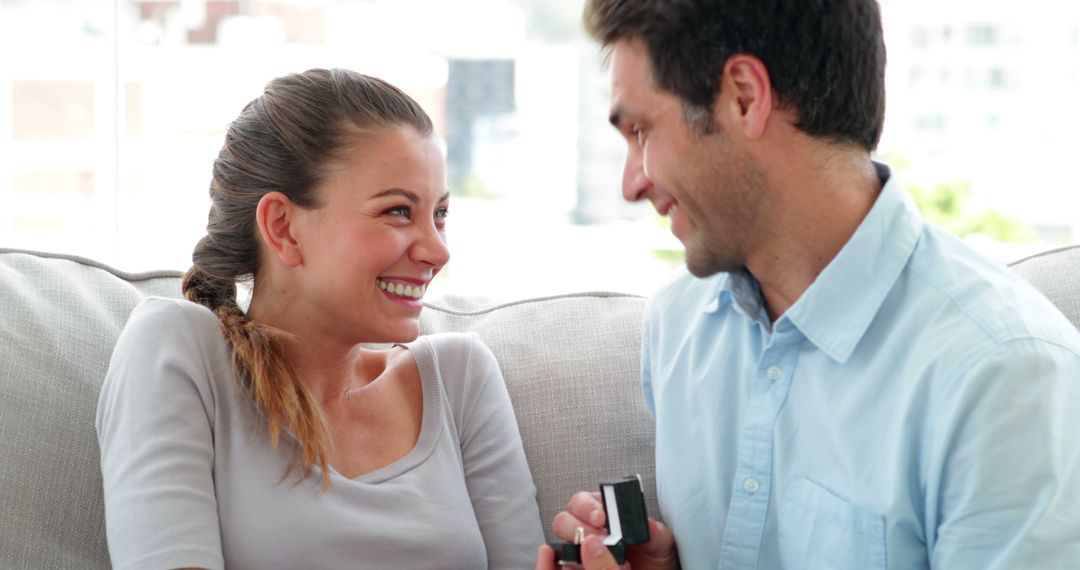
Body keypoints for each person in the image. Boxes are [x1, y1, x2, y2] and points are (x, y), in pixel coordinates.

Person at [538, 1, 1080, 569]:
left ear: (745, 96)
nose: (631, 183)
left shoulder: (1008, 377)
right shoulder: (678, 327)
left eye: (642, 129)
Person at [96, 68, 544, 570]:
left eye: (439, 213)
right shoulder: (178, 350)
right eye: (398, 211)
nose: (438, 250)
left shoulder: (460, 376)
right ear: (283, 227)